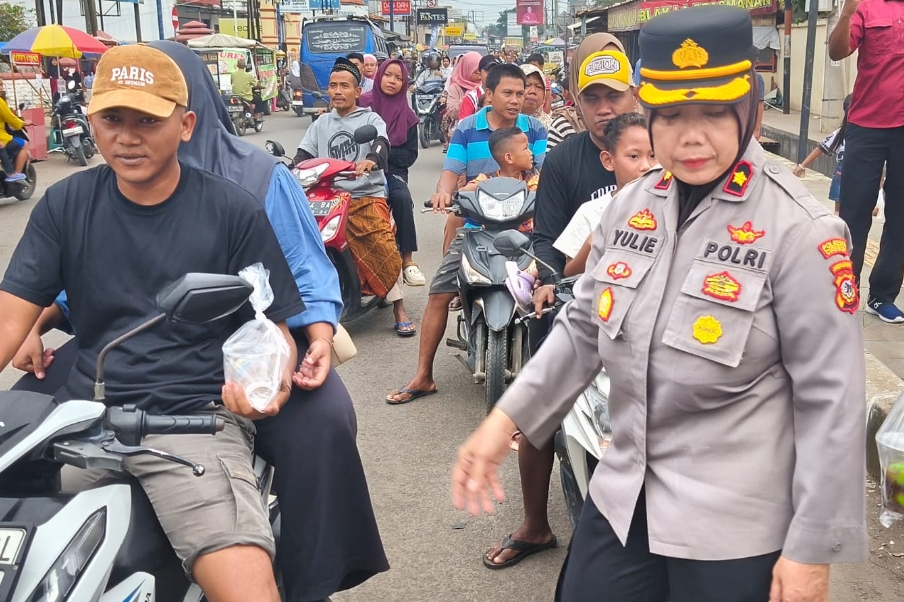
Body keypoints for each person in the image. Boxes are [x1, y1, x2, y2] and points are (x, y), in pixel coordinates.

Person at [454, 7, 867, 602]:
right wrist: (505, 419)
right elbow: (582, 330)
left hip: (734, 526)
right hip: (626, 493)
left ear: (748, 107)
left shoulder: (802, 231)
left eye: (714, 113)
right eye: (670, 115)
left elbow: (833, 398)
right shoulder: (632, 206)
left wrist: (811, 550)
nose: (691, 136)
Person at [11, 41, 390, 602]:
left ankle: (315, 578)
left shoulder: (243, 195)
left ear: (188, 121)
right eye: (113, 118)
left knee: (315, 438)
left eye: (148, 119)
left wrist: (281, 366)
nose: (128, 135)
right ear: (91, 121)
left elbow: (277, 311)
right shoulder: (66, 204)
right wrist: (33, 327)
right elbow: (29, 303)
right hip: (84, 412)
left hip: (188, 419)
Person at [482, 47, 638, 570]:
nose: (604, 108)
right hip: (580, 298)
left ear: (632, 94)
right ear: (577, 102)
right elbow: (547, 240)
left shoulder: (658, 147)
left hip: (647, 306)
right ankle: (535, 524)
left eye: (613, 95)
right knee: (537, 413)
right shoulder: (566, 161)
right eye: (592, 98)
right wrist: (547, 278)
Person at [385, 64, 547, 405]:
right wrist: (445, 193)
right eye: (508, 92)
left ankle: (553, 377)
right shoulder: (465, 128)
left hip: (526, 230)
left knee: (556, 290)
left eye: (521, 93)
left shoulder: (533, 128)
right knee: (440, 292)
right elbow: (450, 173)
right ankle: (423, 375)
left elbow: (544, 173)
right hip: (477, 228)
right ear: (488, 94)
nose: (516, 100)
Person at [293, 58, 413, 336]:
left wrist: (370, 160)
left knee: (382, 244)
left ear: (357, 91)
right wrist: (290, 168)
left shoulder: (371, 119)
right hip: (326, 196)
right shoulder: (321, 123)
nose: (337, 91)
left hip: (365, 195)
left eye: (344, 86)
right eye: (333, 85)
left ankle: (399, 308)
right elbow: (304, 154)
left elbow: (381, 144)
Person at [828, 0, 904, 323]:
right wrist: (846, 13)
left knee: (901, 216)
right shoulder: (865, 7)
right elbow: (836, 52)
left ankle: (882, 295)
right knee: (854, 214)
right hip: (866, 127)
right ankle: (846, 290)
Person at [554, 113, 653, 276]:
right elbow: (569, 274)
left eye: (653, 156)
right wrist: (592, 244)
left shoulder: (673, 208)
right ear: (608, 160)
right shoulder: (592, 212)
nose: (646, 166)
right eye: (634, 156)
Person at [360, 58, 427, 290]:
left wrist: (383, 157)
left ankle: (407, 260)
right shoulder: (362, 104)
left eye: (399, 78)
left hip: (392, 172)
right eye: (388, 75)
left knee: (401, 198)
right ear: (379, 76)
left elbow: (410, 155)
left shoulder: (408, 117)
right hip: (355, 169)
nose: (392, 81)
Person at [547, 33, 626, 150]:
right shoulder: (563, 126)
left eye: (614, 57)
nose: (605, 66)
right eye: (597, 60)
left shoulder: (645, 127)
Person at [794, 94, 853, 215]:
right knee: (850, 209)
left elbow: (821, 148)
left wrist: (802, 166)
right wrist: (802, 166)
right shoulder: (842, 133)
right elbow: (821, 148)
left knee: (839, 210)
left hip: (844, 172)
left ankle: (841, 230)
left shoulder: (840, 132)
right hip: (853, 171)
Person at [440, 51, 482, 152]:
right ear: (467, 69)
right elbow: (452, 112)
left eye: (481, 71)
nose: (480, 75)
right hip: (461, 135)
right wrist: (470, 97)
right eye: (476, 72)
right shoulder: (456, 87)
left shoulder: (485, 86)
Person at [0, 79, 32, 182]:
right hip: (2, 136)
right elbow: (10, 118)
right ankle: (15, 174)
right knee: (24, 144)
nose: (2, 87)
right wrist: (22, 123)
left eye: (2, 84)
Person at [458, 55, 500, 121]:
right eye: (488, 71)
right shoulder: (472, 98)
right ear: (480, 74)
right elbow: (463, 126)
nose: (491, 74)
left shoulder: (504, 94)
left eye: (494, 71)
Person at [520, 64, 553, 129]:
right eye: (527, 85)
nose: (533, 91)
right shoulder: (502, 123)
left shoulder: (552, 127)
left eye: (539, 87)